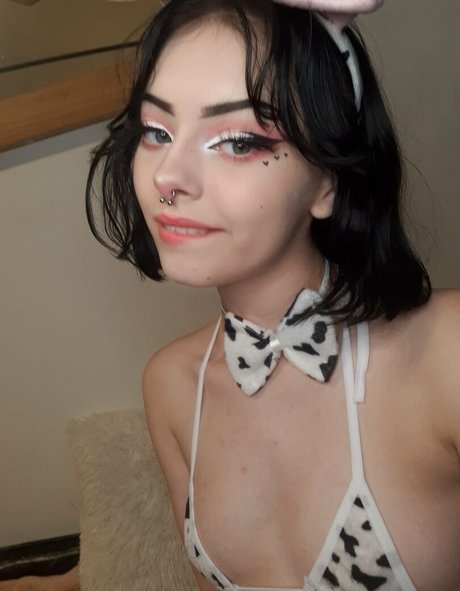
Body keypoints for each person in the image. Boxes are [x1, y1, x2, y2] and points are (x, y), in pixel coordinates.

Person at [85, 0, 460, 589]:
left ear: (328, 179)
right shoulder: (171, 386)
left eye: (238, 142)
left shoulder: (446, 353)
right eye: (157, 132)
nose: (166, 177)